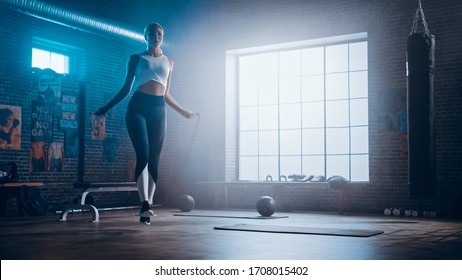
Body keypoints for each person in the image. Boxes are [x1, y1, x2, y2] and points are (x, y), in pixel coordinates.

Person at [96, 22, 195, 225]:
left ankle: (147, 206)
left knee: (154, 159)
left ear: (162, 37)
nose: (155, 36)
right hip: (137, 108)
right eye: (151, 33)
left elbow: (166, 93)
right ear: (145, 36)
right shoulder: (136, 58)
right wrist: (106, 108)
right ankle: (145, 205)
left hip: (159, 109)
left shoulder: (170, 62)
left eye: (159, 33)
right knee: (143, 154)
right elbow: (126, 89)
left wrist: (183, 111)